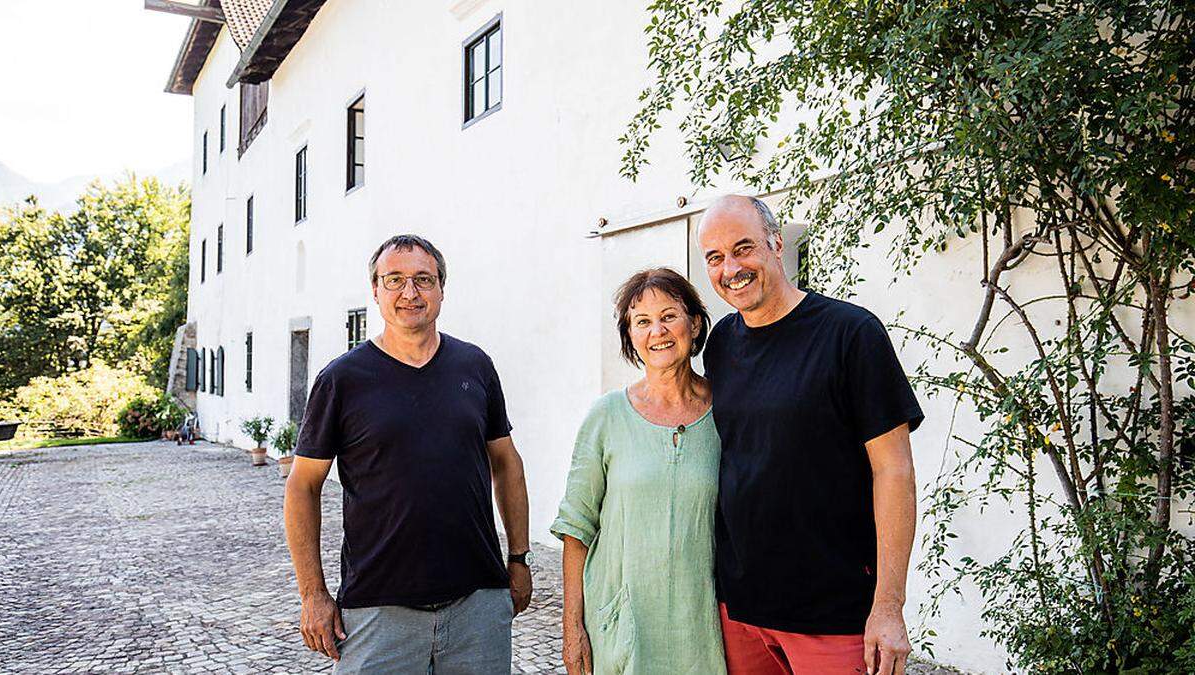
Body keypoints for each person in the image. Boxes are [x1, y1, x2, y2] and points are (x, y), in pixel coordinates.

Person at [283, 234, 533, 674]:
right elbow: (303, 486)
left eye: (423, 279)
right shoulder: (341, 380)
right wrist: (313, 594)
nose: (410, 293)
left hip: (476, 604)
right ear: (375, 291)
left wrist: (518, 558)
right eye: (394, 280)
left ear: (441, 288)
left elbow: (507, 462)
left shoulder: (475, 367)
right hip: (377, 611)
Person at [698, 195, 923, 675]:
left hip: (833, 613)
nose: (730, 268)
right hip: (741, 612)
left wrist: (888, 606)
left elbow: (894, 470)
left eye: (744, 248)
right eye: (715, 258)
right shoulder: (720, 344)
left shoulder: (851, 334)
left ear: (777, 244)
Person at [552, 268, 726, 675]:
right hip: (620, 624)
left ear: (694, 323)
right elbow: (576, 529)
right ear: (630, 335)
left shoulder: (729, 412)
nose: (657, 331)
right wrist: (572, 628)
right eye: (642, 322)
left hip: (703, 630)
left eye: (669, 316)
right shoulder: (607, 416)